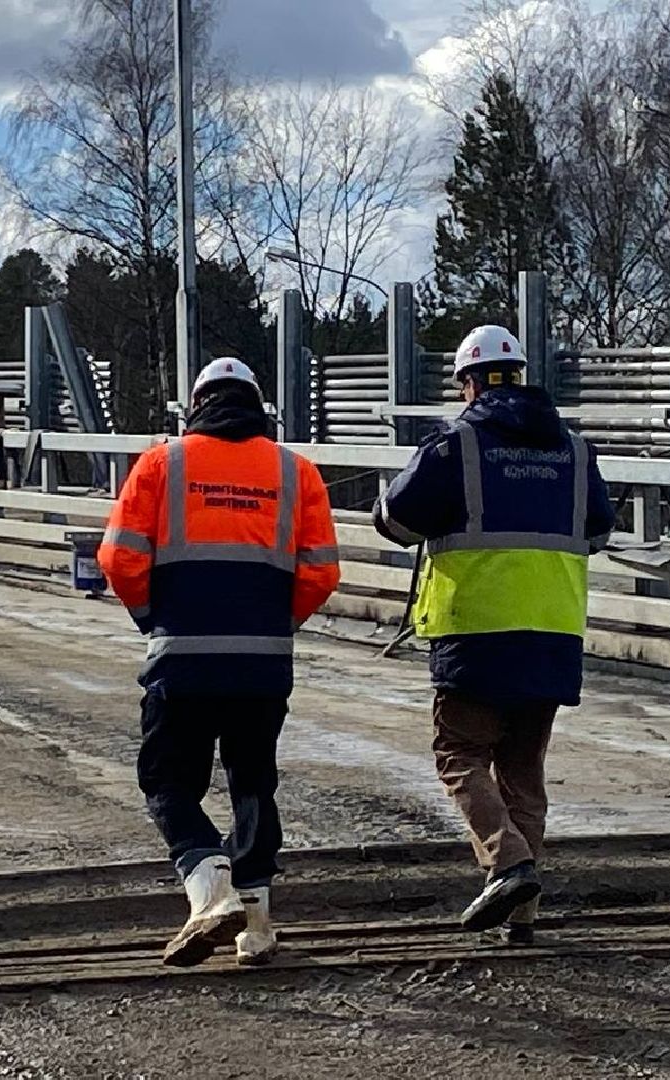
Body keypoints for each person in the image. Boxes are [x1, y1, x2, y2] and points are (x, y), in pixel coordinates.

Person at [373, 326, 614, 944]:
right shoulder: (576, 451)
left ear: (470, 383)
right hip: (552, 635)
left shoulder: (455, 445)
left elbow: (396, 520)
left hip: (475, 633)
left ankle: (507, 865)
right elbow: (597, 532)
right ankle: (523, 915)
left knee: (459, 754)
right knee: (523, 771)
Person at [99, 358, 340, 968]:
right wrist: (277, 624)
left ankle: (209, 884)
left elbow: (118, 558)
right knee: (253, 782)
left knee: (167, 779)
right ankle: (255, 927)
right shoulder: (296, 471)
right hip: (262, 663)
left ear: (196, 405)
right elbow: (322, 572)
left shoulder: (162, 463)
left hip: (182, 658)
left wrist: (153, 616)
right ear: (258, 406)